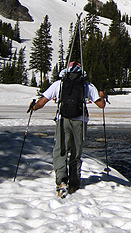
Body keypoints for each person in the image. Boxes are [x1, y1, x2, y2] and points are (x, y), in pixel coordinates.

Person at [29, 62, 106, 197]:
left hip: (62, 119)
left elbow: (41, 102)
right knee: (76, 152)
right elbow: (101, 105)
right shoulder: (86, 85)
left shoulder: (59, 84)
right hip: (80, 121)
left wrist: (33, 107)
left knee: (60, 150)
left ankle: (61, 180)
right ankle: (74, 183)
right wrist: (102, 95)